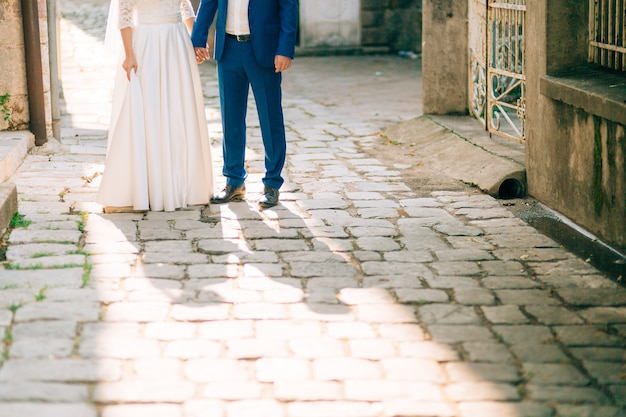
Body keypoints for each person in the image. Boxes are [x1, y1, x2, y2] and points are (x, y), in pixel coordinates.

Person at [97, 0, 214, 212]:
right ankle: (149, 186)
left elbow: (185, 7)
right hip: (147, 44)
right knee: (150, 110)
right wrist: (129, 54)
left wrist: (197, 40)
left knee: (178, 112)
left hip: (177, 44)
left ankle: (182, 183)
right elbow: (124, 15)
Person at [190, 0, 298, 208]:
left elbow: (288, 8)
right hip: (228, 50)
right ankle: (234, 182)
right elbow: (208, 3)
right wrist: (198, 39)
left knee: (270, 119)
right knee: (231, 119)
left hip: (264, 50)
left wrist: (285, 49)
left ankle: (272, 184)